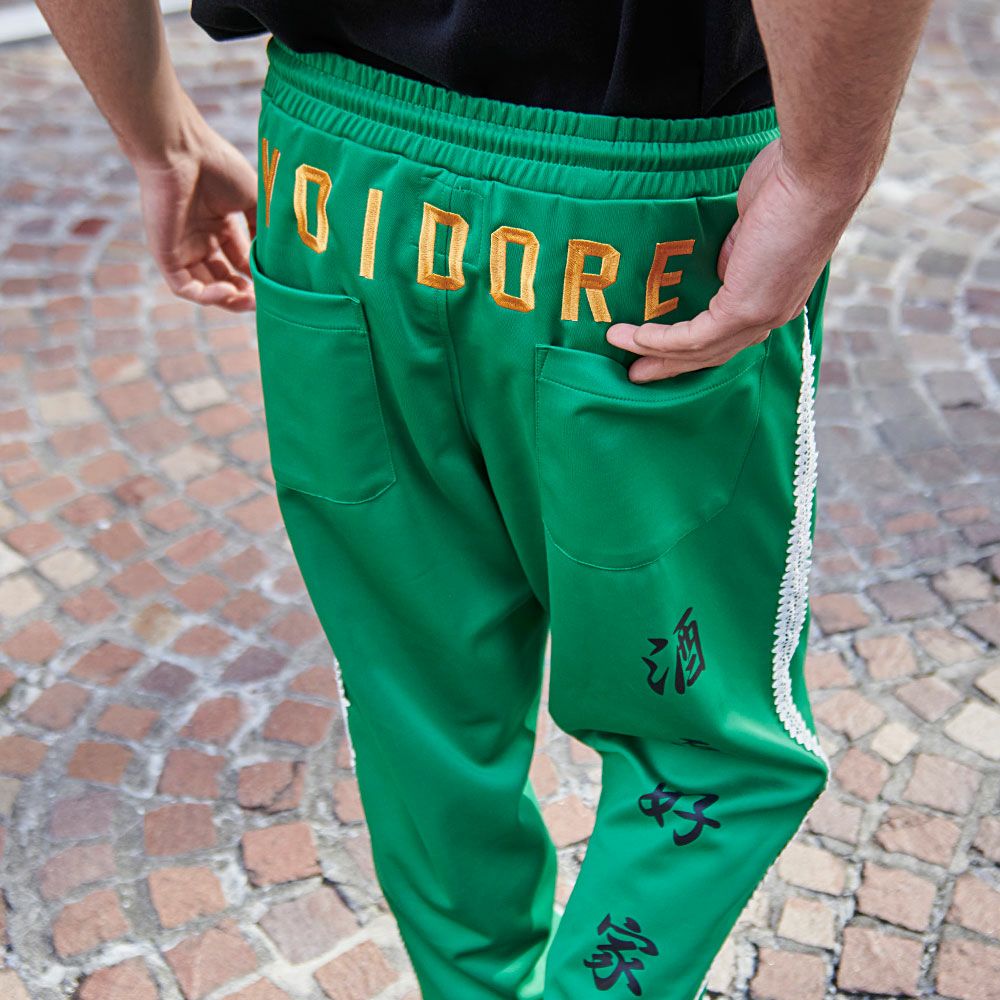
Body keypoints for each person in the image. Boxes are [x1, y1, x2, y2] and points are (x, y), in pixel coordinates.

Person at [33, 2, 935, 998]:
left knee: (417, 704)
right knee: (704, 740)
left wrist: (155, 134)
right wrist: (822, 171)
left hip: (335, 180)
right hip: (632, 201)